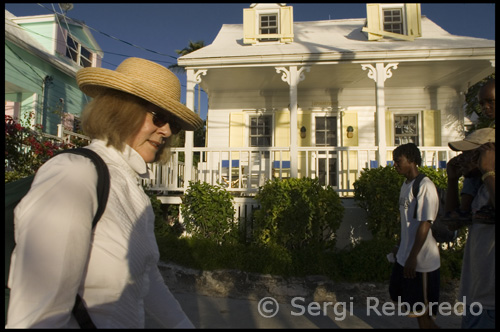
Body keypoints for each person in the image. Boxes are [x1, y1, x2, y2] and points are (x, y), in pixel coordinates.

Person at [6, 57, 203, 328]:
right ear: (120, 111)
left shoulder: (133, 190)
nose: (167, 131)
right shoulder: (74, 174)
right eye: (159, 117)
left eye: (174, 124)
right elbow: (38, 316)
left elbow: (146, 278)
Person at [389, 143, 440, 329]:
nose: (394, 164)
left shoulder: (425, 186)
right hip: (406, 257)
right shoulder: (406, 185)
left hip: (421, 261)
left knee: (424, 314)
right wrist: (400, 245)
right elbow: (407, 222)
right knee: (406, 303)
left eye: (398, 161)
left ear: (411, 160)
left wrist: (412, 258)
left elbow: (425, 224)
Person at [448, 128, 495, 329]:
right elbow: (451, 221)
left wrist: (488, 170)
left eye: (469, 153)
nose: (462, 159)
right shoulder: (481, 187)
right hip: (476, 297)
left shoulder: (489, 181)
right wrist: (451, 179)